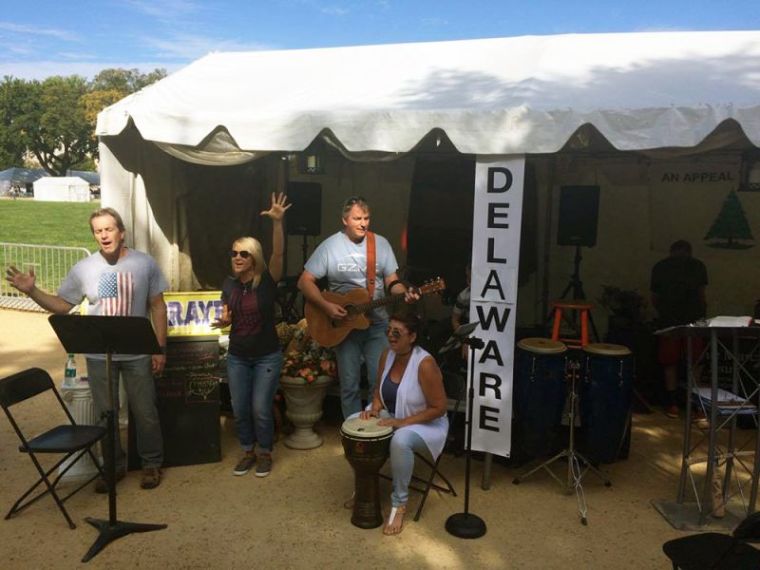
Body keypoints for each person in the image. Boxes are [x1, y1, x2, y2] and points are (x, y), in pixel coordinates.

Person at [5, 207, 168, 490]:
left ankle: (151, 464)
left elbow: (158, 306)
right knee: (106, 413)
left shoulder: (144, 264)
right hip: (98, 354)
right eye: (98, 231)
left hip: (138, 352)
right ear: (94, 235)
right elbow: (63, 306)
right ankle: (113, 467)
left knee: (145, 411)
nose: (104, 235)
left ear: (122, 232)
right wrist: (33, 291)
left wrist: (159, 348)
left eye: (109, 229)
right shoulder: (84, 269)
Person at [297, 196, 417, 419]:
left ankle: (375, 435)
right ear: (344, 220)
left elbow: (392, 281)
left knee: (378, 382)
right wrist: (326, 306)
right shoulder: (330, 246)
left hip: (377, 323)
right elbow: (304, 281)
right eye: (357, 218)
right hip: (343, 325)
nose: (363, 223)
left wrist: (404, 293)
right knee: (349, 385)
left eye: (367, 218)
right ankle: (353, 435)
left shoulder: (380, 244)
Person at [213, 193, 290, 478]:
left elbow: (279, 255)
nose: (237, 257)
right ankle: (247, 450)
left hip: (266, 356)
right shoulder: (229, 285)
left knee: (260, 408)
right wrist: (223, 320)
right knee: (240, 408)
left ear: (254, 257)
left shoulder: (267, 282)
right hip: (237, 356)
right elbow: (226, 316)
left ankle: (265, 452)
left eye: (244, 253)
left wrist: (278, 223)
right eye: (234, 253)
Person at [359, 312, 448, 535]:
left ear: (413, 336)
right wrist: (375, 406)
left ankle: (399, 503)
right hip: (395, 414)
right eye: (388, 330)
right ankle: (364, 489)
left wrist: (402, 422)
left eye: (396, 332)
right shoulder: (386, 355)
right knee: (354, 424)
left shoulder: (425, 363)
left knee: (400, 440)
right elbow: (378, 389)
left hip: (426, 423)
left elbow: (439, 408)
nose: (390, 336)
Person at [650, 239, 708, 418]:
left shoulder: (661, 266)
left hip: (670, 320)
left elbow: (654, 296)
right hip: (692, 320)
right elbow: (702, 293)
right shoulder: (697, 266)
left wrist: (662, 312)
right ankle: (696, 406)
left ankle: (673, 403)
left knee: (671, 363)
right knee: (694, 363)